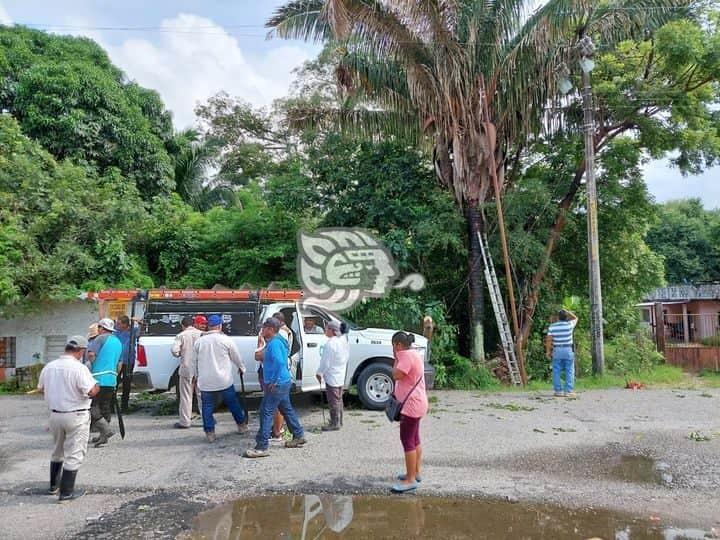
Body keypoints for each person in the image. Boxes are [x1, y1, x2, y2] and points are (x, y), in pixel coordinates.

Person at [37, 335, 99, 502]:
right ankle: (66, 493)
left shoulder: (49, 367)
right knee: (75, 453)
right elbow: (91, 391)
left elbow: (41, 389)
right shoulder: (79, 368)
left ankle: (53, 486)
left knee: (57, 450)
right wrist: (96, 385)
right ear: (80, 351)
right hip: (76, 414)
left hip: (55, 415)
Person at [244, 318, 306, 458]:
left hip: (277, 384)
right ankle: (298, 435)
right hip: (283, 381)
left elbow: (280, 361)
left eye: (264, 328)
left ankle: (261, 447)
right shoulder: (277, 340)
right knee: (286, 409)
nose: (261, 330)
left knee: (265, 411)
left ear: (271, 329)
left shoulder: (274, 344)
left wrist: (273, 380)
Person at [191, 314, 247, 443]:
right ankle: (241, 426)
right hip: (224, 380)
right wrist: (241, 367)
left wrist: (195, 376)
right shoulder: (225, 340)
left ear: (208, 326)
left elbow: (193, 362)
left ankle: (210, 433)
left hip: (205, 381)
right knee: (233, 404)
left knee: (207, 407)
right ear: (220, 325)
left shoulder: (199, 342)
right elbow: (236, 357)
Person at [390, 331, 428, 493]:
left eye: (393, 346)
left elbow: (396, 375)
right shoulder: (414, 353)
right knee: (415, 439)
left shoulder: (404, 356)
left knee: (407, 440)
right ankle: (415, 471)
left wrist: (395, 357)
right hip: (418, 403)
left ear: (398, 345)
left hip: (411, 406)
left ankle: (410, 479)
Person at [89, 318, 122, 447]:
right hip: (111, 379)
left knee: (91, 406)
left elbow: (91, 354)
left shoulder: (100, 338)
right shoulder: (118, 342)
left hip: (98, 377)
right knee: (105, 406)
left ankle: (106, 430)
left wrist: (93, 364)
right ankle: (103, 436)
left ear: (101, 328)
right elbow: (119, 364)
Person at [316, 321, 349, 431]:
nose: (325, 330)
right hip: (340, 373)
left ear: (332, 330)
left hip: (332, 375)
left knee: (333, 400)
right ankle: (339, 421)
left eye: (327, 329)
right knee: (339, 399)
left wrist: (319, 373)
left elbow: (326, 362)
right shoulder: (343, 341)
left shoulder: (330, 344)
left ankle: (335, 423)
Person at [171, 316, 203, 429]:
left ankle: (185, 422)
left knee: (186, 396)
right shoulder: (201, 334)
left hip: (186, 369)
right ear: (193, 324)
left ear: (182, 325)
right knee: (202, 395)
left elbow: (174, 351)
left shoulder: (181, 335)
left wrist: (180, 353)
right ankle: (207, 420)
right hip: (200, 369)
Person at [545, 309, 579, 398]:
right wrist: (568, 311)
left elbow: (549, 340)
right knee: (569, 370)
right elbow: (576, 318)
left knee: (556, 370)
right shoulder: (569, 325)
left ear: (558, 317)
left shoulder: (552, 327)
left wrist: (548, 351)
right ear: (566, 317)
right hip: (568, 349)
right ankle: (568, 391)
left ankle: (558, 391)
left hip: (557, 350)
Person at [115, 315, 138, 413]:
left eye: (119, 323)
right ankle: (112, 405)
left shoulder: (133, 331)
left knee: (127, 383)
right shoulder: (116, 331)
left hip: (129, 360)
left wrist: (137, 321)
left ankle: (124, 406)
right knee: (115, 382)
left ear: (125, 324)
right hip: (117, 360)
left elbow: (143, 329)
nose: (117, 325)